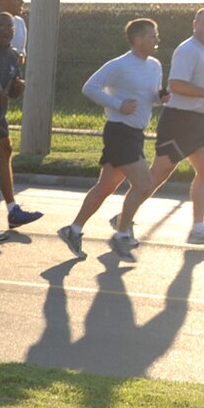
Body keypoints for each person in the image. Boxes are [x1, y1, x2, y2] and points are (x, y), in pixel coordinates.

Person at [112, 7, 204, 247]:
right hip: (179, 121)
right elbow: (176, 85)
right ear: (195, 24)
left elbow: (192, 86)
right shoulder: (188, 50)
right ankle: (123, 218)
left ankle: (198, 228)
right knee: (158, 174)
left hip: (199, 122)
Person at [56, 19, 165, 257]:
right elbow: (90, 87)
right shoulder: (120, 65)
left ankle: (73, 230)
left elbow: (150, 97)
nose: (157, 39)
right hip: (119, 132)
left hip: (136, 133)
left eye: (156, 35)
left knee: (106, 186)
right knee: (144, 185)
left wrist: (161, 98)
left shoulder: (155, 65)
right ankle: (122, 233)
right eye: (152, 36)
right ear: (137, 39)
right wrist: (117, 104)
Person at [0, 0, 42, 227]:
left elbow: (14, 59)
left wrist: (15, 84)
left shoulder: (21, 25)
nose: (22, 2)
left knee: (4, 149)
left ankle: (12, 210)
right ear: (2, 1)